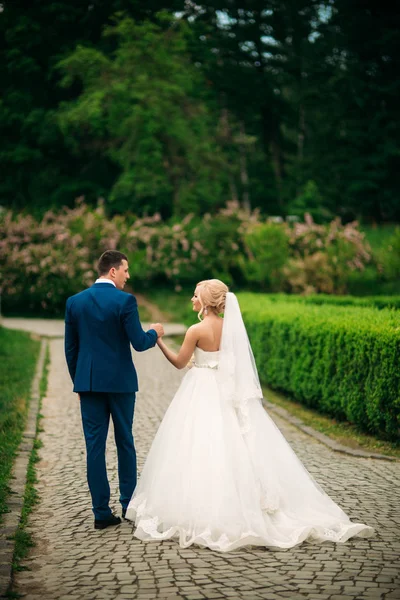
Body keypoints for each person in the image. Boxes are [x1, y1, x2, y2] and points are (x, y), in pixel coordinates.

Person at [125, 279, 373, 552]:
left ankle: (208, 506)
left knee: (201, 445)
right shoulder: (229, 328)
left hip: (201, 389)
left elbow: (179, 362)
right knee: (235, 443)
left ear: (206, 302)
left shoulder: (196, 329)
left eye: (195, 296)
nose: (191, 300)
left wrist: (159, 340)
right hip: (225, 389)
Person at [65, 250, 164, 530]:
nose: (127, 276)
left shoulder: (74, 302)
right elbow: (140, 343)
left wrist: (82, 380)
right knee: (125, 442)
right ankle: (128, 506)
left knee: (94, 447)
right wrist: (156, 331)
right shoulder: (125, 301)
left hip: (89, 384)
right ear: (112, 271)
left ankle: (100, 513)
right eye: (125, 270)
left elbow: (70, 349)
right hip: (120, 384)